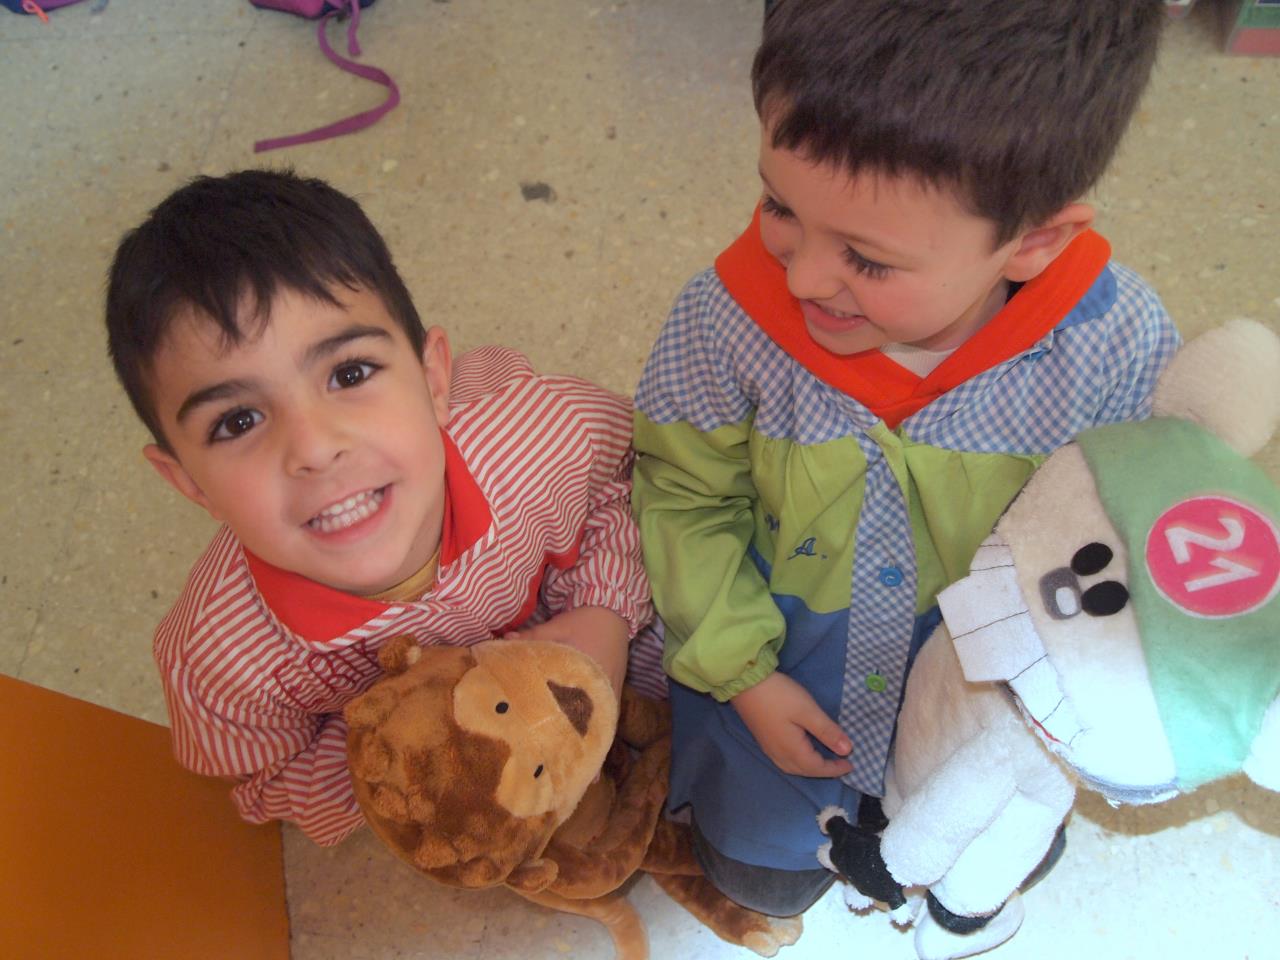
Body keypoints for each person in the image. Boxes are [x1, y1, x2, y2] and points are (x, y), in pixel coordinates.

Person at [631, 0, 1179, 917]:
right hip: (780, 683)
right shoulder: (723, 319)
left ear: (1035, 240)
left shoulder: (1116, 346)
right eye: (780, 206)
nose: (801, 276)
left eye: (868, 260)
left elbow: (1133, 548)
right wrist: (745, 677)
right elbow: (680, 497)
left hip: (981, 710)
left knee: (983, 848)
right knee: (757, 881)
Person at [105, 169, 664, 846]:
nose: (314, 448)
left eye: (349, 374)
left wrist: (605, 614)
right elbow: (265, 780)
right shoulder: (221, 663)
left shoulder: (542, 433)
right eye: (238, 421)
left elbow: (638, 476)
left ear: (433, 380)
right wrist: (413, 767)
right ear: (189, 483)